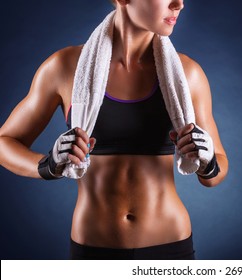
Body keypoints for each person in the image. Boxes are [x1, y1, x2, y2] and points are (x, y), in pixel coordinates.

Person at [0, 0, 228, 260]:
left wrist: (208, 162)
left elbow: (216, 172)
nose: (179, 4)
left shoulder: (188, 74)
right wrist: (48, 166)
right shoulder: (64, 67)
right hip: (93, 247)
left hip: (170, 244)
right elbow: (4, 142)